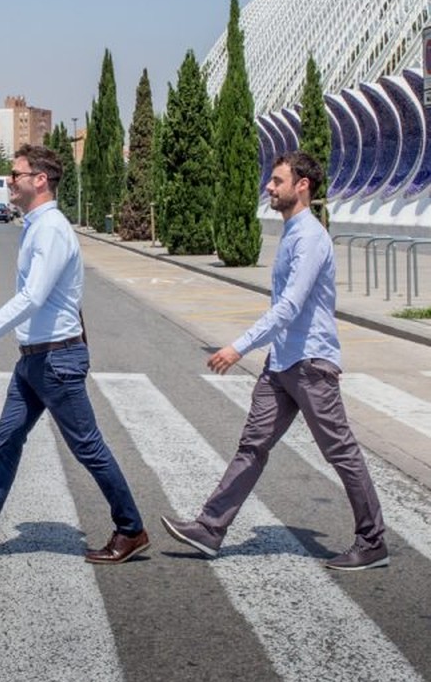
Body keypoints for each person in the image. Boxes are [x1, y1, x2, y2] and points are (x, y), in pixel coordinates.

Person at [161, 151, 387, 571]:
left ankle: (372, 541)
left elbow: (290, 306)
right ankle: (211, 528)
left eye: (278, 180)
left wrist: (239, 346)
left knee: (340, 452)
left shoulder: (311, 239)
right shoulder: (292, 233)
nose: (269, 186)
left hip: (311, 363)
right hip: (282, 363)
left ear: (302, 186)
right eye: (272, 179)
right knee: (253, 444)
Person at [0, 144, 150, 565]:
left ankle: (131, 529)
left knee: (88, 448)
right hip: (34, 360)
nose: (10, 182)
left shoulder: (50, 229)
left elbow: (32, 298)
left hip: (56, 361)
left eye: (16, 175)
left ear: (40, 180)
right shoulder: (35, 226)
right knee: (6, 438)